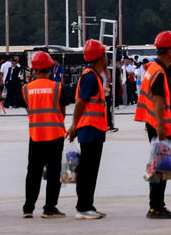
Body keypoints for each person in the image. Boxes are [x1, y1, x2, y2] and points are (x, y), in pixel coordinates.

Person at [133, 30, 171, 219]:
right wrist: (161, 126)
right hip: (160, 127)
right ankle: (156, 206)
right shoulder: (159, 72)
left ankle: (158, 204)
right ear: (169, 51)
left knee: (160, 165)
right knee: (160, 166)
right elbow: (158, 99)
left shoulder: (153, 69)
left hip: (156, 124)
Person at [67, 39, 109, 219]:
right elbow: (80, 103)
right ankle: (83, 207)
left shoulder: (94, 76)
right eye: (105, 54)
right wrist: (74, 125)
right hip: (90, 129)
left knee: (90, 170)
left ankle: (87, 204)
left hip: (95, 129)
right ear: (100, 57)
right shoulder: (90, 76)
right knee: (87, 170)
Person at [22, 51, 66, 218]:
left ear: (34, 70)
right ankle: (49, 207)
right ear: (50, 68)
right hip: (55, 136)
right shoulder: (57, 87)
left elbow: (28, 110)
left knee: (33, 172)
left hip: (35, 136)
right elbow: (62, 111)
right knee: (54, 174)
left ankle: (28, 208)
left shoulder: (26, 89)